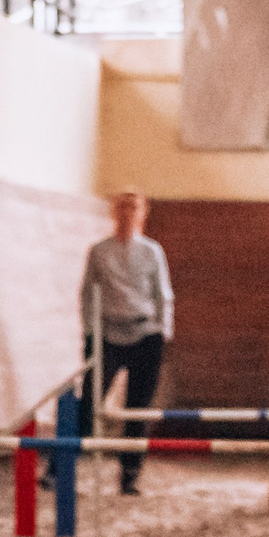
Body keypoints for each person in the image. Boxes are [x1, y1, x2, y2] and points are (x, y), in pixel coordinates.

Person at [79, 190, 174, 497]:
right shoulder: (99, 251)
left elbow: (163, 293)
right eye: (122, 209)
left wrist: (163, 330)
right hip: (107, 333)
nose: (127, 215)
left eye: (133, 210)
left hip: (145, 333)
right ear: (114, 214)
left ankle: (130, 475)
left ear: (142, 214)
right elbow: (87, 292)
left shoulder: (152, 251)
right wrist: (90, 332)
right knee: (89, 402)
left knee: (138, 409)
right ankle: (59, 467)